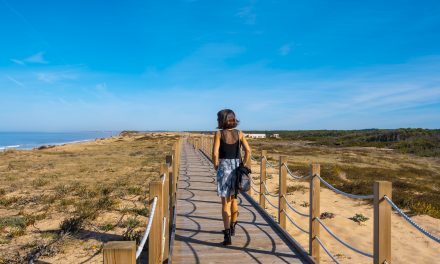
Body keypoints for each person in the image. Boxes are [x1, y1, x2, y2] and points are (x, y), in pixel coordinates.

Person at [212, 109, 251, 246]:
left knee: (225, 203)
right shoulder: (240, 134)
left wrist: (216, 166)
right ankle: (234, 226)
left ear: (222, 120)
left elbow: (215, 153)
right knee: (234, 199)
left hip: (224, 168)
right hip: (236, 168)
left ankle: (227, 235)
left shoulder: (219, 134)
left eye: (218, 119)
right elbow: (248, 150)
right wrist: (243, 164)